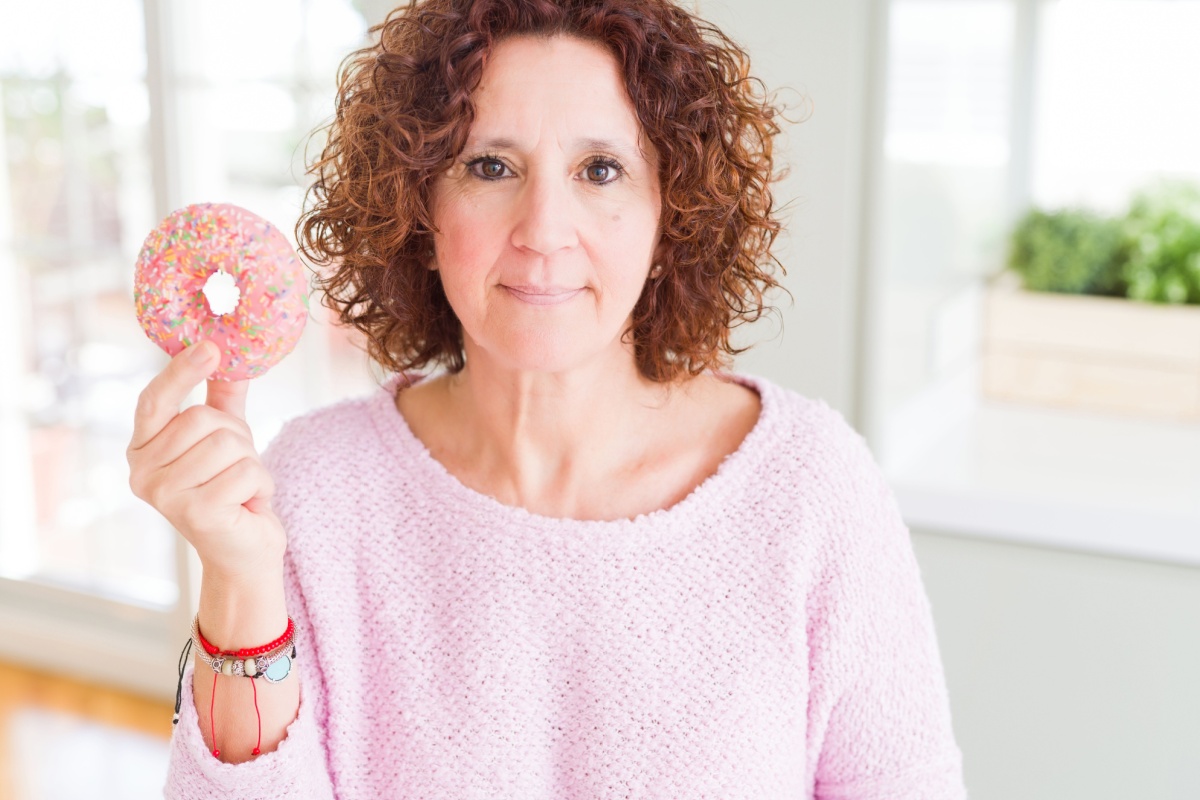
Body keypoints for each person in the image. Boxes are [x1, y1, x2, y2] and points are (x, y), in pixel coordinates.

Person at [128, 0, 968, 797]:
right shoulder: (313, 485)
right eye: (490, 167)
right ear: (419, 204)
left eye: (600, 170)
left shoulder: (811, 487)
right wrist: (238, 580)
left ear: (669, 212)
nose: (543, 229)